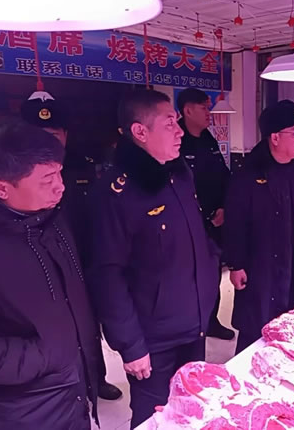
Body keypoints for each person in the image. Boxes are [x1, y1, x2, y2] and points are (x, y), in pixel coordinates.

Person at [86, 89, 219, 429]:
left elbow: (194, 238)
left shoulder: (179, 173)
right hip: (153, 339)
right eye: (169, 123)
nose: (179, 131)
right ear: (140, 132)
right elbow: (107, 276)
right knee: (154, 419)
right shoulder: (115, 193)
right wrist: (130, 345)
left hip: (193, 323)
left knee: (190, 408)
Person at [0, 120, 100, 430]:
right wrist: (49, 354)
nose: (60, 186)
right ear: (1, 188)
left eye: (59, 172)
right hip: (22, 412)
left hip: (72, 392)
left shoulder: (48, 214)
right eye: (47, 179)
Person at [20, 92, 123, 401]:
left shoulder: (83, 165)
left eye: (53, 135)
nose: (47, 142)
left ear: (64, 135)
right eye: (39, 135)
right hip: (42, 266)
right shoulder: (18, 176)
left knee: (89, 323)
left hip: (84, 259)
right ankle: (68, 387)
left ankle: (96, 379)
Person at [224, 100, 294, 355]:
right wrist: (236, 264)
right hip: (262, 265)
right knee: (257, 327)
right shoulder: (249, 175)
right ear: (274, 137)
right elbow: (235, 223)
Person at [177, 88, 234, 341]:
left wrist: (223, 207)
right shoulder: (178, 142)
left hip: (215, 221)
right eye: (204, 108)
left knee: (212, 273)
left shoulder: (208, 139)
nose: (209, 113)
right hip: (188, 223)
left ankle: (211, 320)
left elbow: (223, 176)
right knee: (188, 277)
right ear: (188, 110)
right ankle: (191, 323)